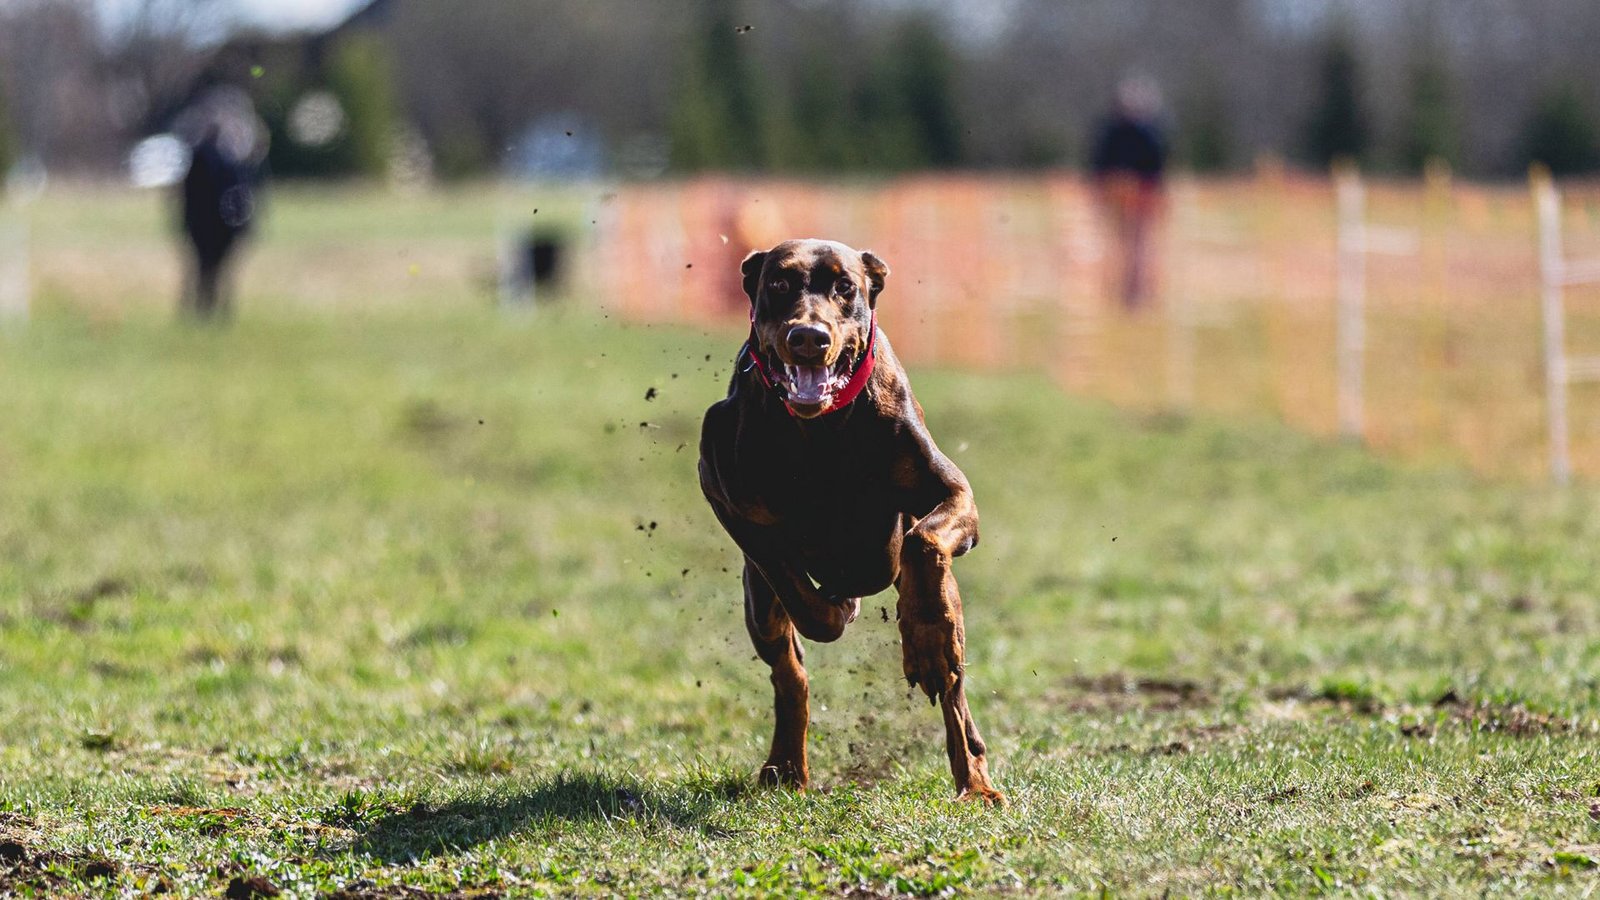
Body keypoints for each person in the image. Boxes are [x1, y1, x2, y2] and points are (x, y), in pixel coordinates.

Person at [177, 91, 264, 320]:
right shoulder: (205, 157)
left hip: (221, 225)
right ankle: (201, 312)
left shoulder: (236, 157)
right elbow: (190, 194)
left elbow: (245, 194)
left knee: (217, 270)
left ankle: (214, 311)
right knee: (205, 269)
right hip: (206, 224)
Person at [1091, 76, 1168, 311]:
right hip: (1117, 195)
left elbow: (1156, 166)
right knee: (1120, 246)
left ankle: (1137, 292)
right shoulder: (1111, 132)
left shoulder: (1148, 133)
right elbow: (1100, 164)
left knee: (1139, 247)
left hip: (1141, 196)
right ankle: (1120, 291)